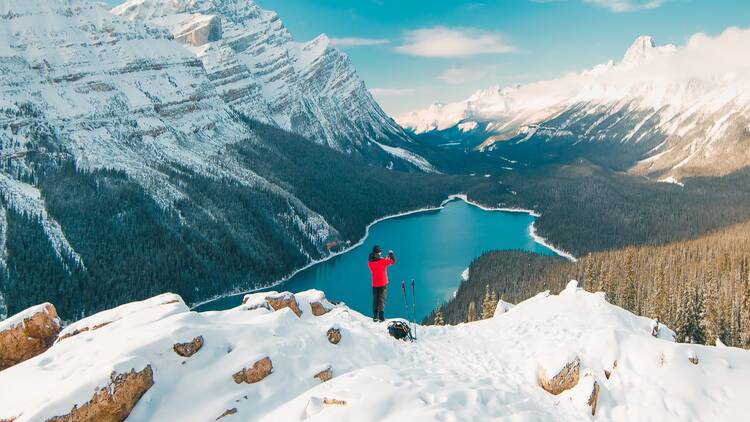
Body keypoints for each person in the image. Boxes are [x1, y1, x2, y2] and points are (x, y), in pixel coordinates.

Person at [367, 245, 395, 322]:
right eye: (380, 252)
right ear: (378, 252)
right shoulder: (382, 261)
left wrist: (384, 259)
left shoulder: (370, 262)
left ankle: (375, 317)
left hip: (375, 284)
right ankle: (381, 317)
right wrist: (391, 254)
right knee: (381, 300)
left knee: (375, 300)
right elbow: (392, 261)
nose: (380, 253)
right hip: (383, 284)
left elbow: (380, 262)